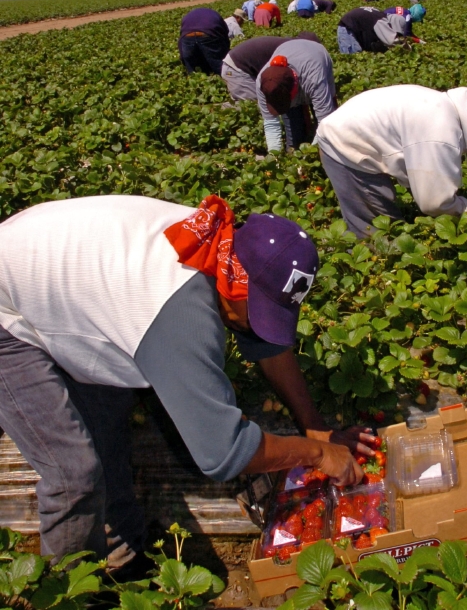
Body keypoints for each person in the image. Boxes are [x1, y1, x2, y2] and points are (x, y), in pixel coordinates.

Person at [0, 194, 371, 567]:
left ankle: (120, 559)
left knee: (107, 420)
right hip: (7, 306)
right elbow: (222, 453)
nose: (262, 323)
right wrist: (318, 454)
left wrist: (315, 428)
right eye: (259, 309)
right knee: (74, 472)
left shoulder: (218, 246)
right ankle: (64, 593)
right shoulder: (178, 312)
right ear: (235, 283)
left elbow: (265, 344)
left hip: (55, 275)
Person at [315, 87, 467, 238]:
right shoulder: (441, 129)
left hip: (350, 134)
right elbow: (433, 203)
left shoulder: (444, 109)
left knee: (385, 223)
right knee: (378, 235)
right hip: (344, 147)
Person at [257, 39, 337, 151]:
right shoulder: (262, 83)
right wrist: (274, 156)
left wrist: (310, 154)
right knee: (295, 129)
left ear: (294, 90)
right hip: (295, 57)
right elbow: (271, 123)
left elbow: (325, 121)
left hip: (316, 55)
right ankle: (296, 146)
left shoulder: (313, 78)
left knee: (332, 122)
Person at [220, 33, 321, 102]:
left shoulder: (289, 45)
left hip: (244, 67)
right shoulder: (290, 52)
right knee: (255, 104)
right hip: (236, 69)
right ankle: (220, 109)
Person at [178, 8, 230, 76]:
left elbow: (181, 40)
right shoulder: (215, 15)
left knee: (191, 66)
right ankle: (225, 79)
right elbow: (224, 34)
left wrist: (185, 58)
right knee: (217, 64)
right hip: (207, 33)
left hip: (187, 36)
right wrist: (224, 53)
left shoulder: (188, 16)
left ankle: (192, 77)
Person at [337, 7, 409, 53]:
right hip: (346, 27)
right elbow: (391, 41)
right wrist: (406, 49)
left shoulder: (381, 15)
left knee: (359, 51)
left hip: (354, 27)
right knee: (352, 54)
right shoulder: (381, 21)